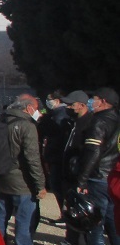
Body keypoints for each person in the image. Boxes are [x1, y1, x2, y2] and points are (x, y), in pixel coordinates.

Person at [68, 87, 120, 245]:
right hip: (112, 176)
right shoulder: (117, 119)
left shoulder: (99, 121)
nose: (91, 101)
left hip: (98, 176)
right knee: (114, 225)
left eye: (94, 99)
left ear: (104, 101)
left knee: (93, 226)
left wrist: (81, 180)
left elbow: (92, 151)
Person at [0, 95, 47, 245]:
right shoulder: (26, 126)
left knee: (1, 216)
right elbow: (32, 158)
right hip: (22, 181)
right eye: (36, 108)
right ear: (29, 108)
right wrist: (40, 184)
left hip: (2, 176)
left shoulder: (1, 122)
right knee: (24, 220)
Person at [46, 90, 94, 245]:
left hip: (79, 176)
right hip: (69, 174)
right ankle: (71, 244)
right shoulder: (73, 122)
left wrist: (82, 177)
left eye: (72, 104)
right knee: (71, 211)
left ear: (81, 105)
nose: (69, 107)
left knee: (84, 215)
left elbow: (89, 153)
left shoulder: (89, 124)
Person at [37, 90, 73, 224]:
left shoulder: (60, 115)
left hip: (57, 156)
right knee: (56, 185)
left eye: (50, 99)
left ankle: (66, 213)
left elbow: (53, 133)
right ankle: (64, 213)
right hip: (55, 156)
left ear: (57, 101)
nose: (48, 102)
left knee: (58, 186)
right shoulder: (54, 115)